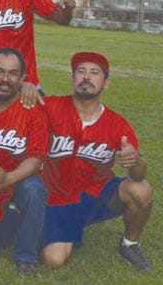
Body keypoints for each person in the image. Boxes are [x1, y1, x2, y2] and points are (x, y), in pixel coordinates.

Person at [41, 52, 153, 273]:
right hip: (56, 197)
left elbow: (138, 174)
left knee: (141, 189)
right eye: (80, 71)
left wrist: (135, 159)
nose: (86, 77)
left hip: (97, 195)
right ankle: (59, 229)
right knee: (53, 259)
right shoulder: (50, 107)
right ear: (73, 79)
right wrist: (27, 89)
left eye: (95, 73)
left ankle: (129, 245)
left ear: (106, 83)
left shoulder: (117, 123)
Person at [0, 47, 50, 276]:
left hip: (18, 179)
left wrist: (9, 178)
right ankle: (12, 218)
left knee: (34, 190)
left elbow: (35, 159)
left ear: (23, 78)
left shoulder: (33, 108)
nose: (6, 79)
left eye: (13, 73)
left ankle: (26, 257)